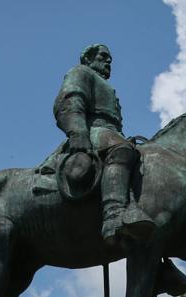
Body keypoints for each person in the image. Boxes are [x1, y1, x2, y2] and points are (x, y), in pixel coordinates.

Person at [54, 44, 155, 247]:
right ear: (88, 59)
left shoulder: (105, 85)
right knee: (121, 150)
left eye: (110, 58)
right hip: (93, 130)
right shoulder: (81, 72)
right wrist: (78, 132)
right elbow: (69, 101)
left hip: (111, 132)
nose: (108, 61)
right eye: (103, 56)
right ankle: (114, 214)